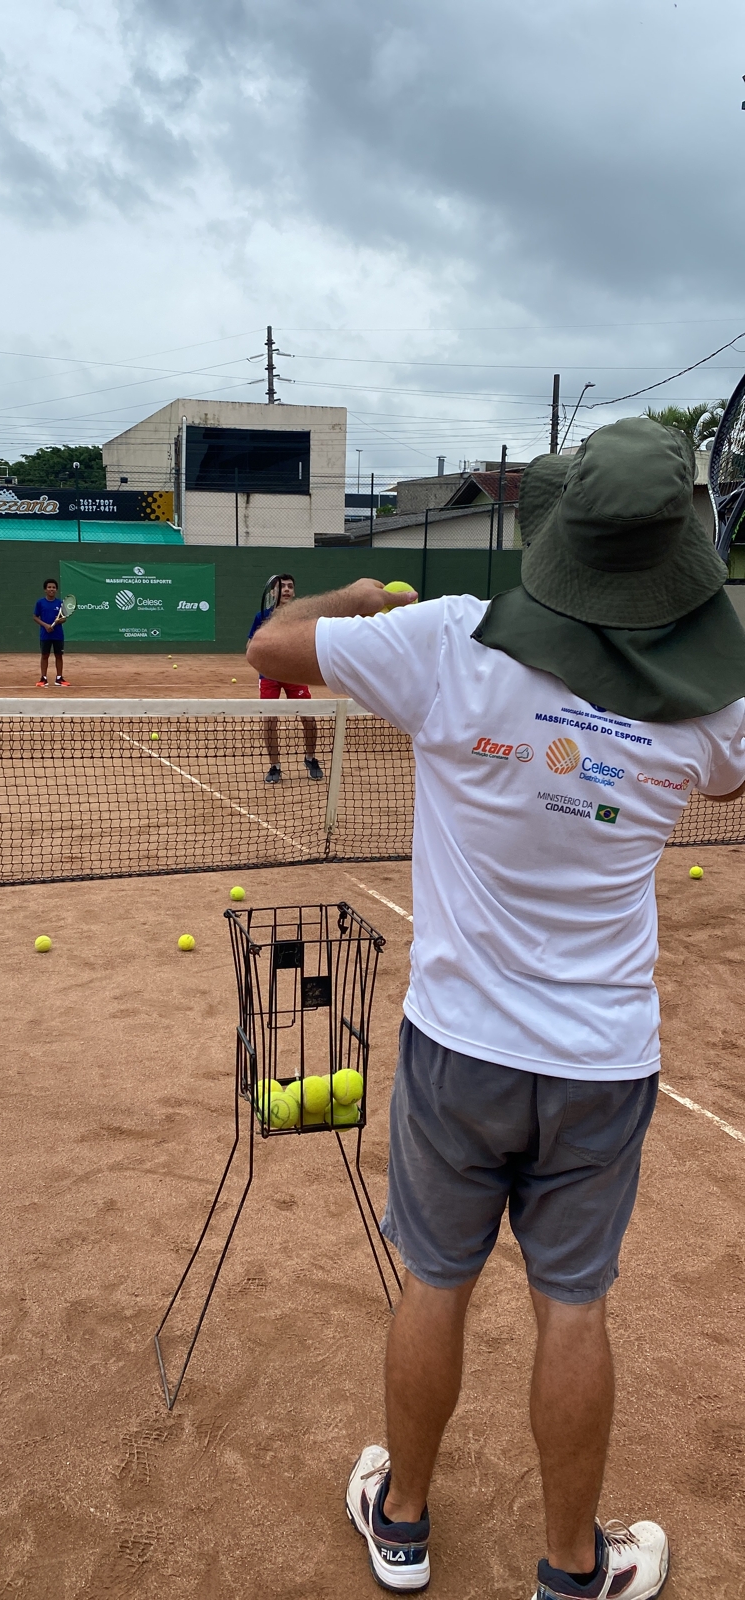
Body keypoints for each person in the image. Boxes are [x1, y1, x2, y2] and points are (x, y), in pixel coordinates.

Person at [246, 417, 745, 1600]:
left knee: (437, 1280)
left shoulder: (445, 640)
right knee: (574, 1307)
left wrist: (354, 594)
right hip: (602, 1060)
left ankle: (403, 1525)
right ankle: (571, 1569)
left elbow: (269, 643)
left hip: (458, 1048)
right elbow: (726, 768)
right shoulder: (714, 708)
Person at [247, 574, 323, 783]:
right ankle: (275, 766)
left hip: (295, 674)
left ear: (294, 591)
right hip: (269, 675)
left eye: (290, 586)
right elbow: (250, 647)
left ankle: (310, 758)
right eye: (281, 587)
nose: (286, 589)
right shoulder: (261, 617)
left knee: (308, 718)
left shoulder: (302, 617)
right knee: (269, 721)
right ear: (273, 592)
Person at [34, 578, 70, 687]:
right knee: (45, 655)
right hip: (45, 635)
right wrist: (45, 625)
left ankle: (59, 678)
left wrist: (59, 621)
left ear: (56, 590)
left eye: (53, 587)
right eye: (49, 587)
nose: (51, 589)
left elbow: (64, 618)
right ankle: (43, 678)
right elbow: (35, 617)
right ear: (45, 589)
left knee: (59, 656)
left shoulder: (60, 603)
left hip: (58, 635)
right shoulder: (40, 603)